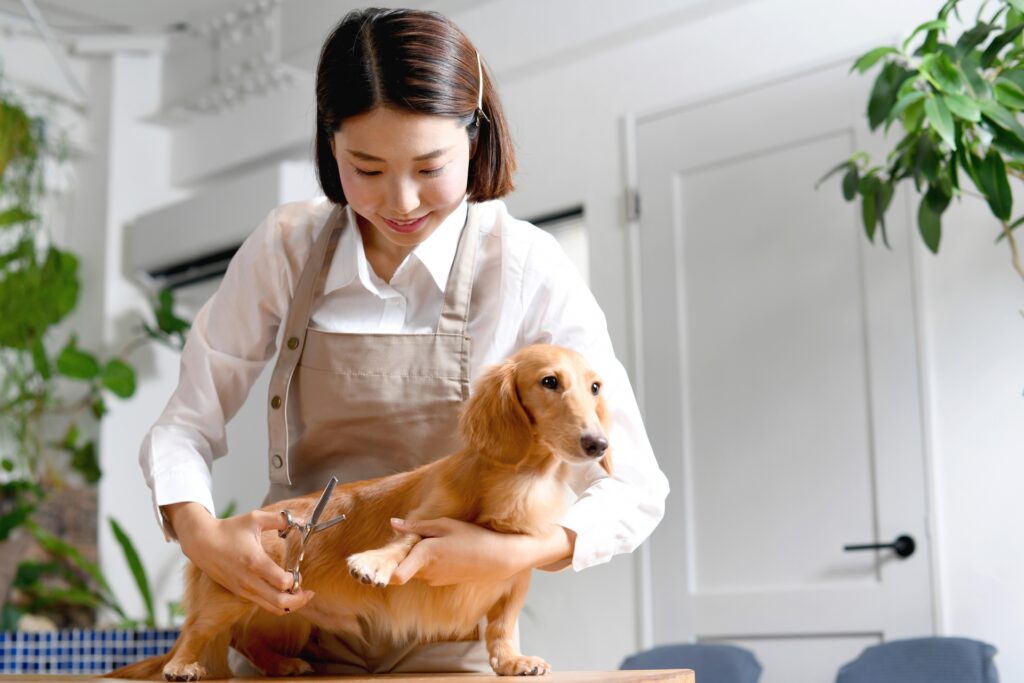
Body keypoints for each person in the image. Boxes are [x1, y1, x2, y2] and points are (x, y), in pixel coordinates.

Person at [139, 6, 669, 675]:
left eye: (430, 165)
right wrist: (201, 533)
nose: (402, 201)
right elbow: (184, 424)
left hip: (450, 640)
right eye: (365, 166)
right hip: (293, 625)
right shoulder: (288, 246)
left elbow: (635, 487)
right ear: (330, 146)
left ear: (474, 140)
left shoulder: (527, 264)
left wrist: (512, 553)